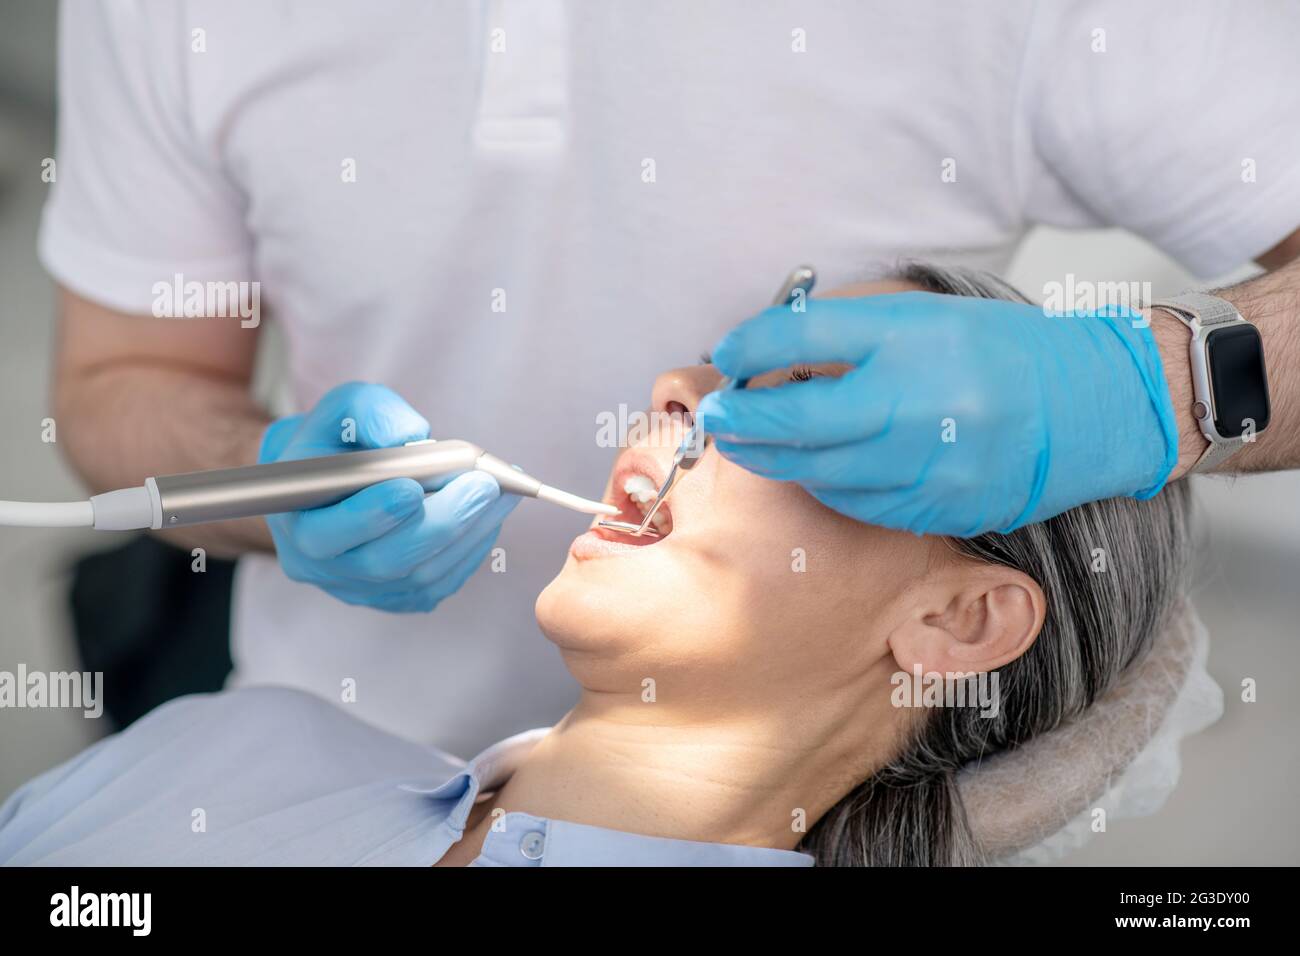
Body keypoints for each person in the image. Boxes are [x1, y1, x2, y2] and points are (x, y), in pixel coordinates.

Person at [45, 1, 1300, 750]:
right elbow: (122, 378)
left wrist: (1156, 387)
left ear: (960, 621)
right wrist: (270, 486)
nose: (666, 397)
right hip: (320, 728)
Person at [0, 269, 1215, 866]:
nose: (676, 392)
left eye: (806, 400)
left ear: (959, 618)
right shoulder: (232, 747)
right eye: (719, 372)